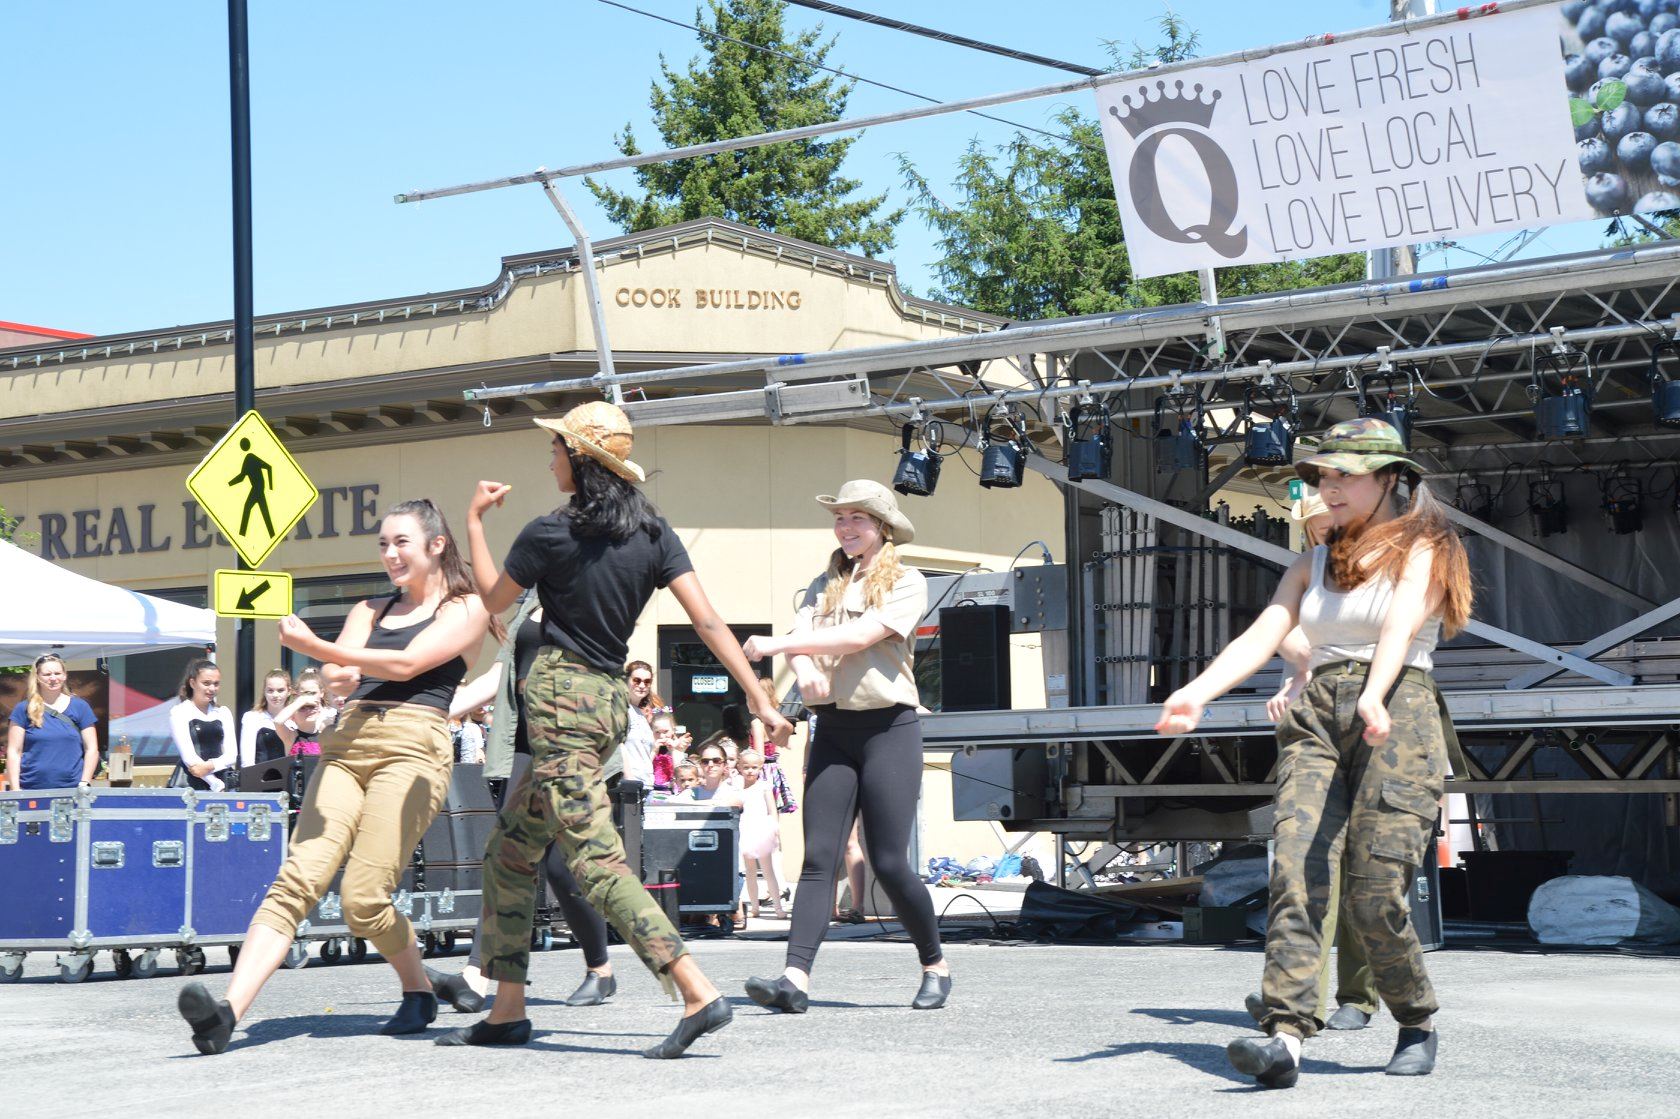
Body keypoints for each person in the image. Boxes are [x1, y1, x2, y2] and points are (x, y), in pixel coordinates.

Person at [448, 399, 791, 1059]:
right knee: (513, 850)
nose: (548, 458)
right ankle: (507, 1006)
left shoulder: (549, 533)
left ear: (579, 458)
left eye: (555, 449)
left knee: (595, 860)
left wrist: (474, 523)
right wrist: (757, 699)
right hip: (608, 702)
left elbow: (493, 608)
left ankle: (694, 988)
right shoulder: (653, 532)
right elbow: (712, 624)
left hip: (558, 701)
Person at [1154, 418, 1472, 1088]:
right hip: (1317, 714)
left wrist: (1376, 695)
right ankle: (1286, 1037)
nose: (1329, 487)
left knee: (1375, 890)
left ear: (1390, 478)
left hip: (1399, 708)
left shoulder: (1427, 545)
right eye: (1323, 475)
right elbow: (1265, 633)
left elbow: (1398, 621)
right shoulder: (1312, 559)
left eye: (1345, 475)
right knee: (1295, 871)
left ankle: (1415, 1018)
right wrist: (1198, 692)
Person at [175, 498, 492, 1055]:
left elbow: (405, 665)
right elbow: (337, 673)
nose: (390, 554)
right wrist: (331, 665)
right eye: (383, 544)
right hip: (347, 743)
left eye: (402, 543)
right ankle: (226, 1014)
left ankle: (419, 987)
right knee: (298, 878)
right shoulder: (370, 607)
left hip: (414, 747)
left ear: (436, 546)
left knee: (362, 899)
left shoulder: (466, 609)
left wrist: (317, 650)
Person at [741, 479, 948, 1015]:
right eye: (840, 517)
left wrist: (784, 648)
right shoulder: (823, 582)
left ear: (881, 527)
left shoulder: (906, 580)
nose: (846, 526)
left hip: (888, 730)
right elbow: (806, 632)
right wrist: (804, 671)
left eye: (858, 517)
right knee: (818, 860)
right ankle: (794, 979)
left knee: (888, 860)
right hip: (832, 729)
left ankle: (934, 964)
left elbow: (858, 638)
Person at [427, 594, 618, 1016]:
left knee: (558, 866)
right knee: (511, 856)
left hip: (569, 743)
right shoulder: (532, 598)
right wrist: (439, 713)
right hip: (524, 746)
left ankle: (601, 969)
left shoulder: (591, 588)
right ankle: (477, 976)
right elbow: (500, 672)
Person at [1244, 488, 1379, 1035]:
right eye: (1316, 528)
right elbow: (1280, 641)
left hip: (1366, 718)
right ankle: (1298, 999)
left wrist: (1303, 666)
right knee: (1303, 865)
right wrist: (1294, 680)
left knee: (1359, 867)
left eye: (1330, 525)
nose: (1325, 533)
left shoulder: (1374, 573)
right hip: (1311, 725)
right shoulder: (1304, 577)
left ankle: (1359, 994)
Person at [5, 654, 98, 791]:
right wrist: (16, 790)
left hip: (72, 789)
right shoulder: (23, 709)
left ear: (65, 675)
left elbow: (91, 749)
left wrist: (84, 783)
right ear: (37, 677)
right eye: (47, 674)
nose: (53, 678)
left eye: (57, 673)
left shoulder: (80, 707)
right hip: (32, 789)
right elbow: (14, 751)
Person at [168, 660, 238, 792]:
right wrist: (213, 782)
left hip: (222, 778)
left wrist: (210, 766)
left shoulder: (223, 712)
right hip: (190, 782)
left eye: (216, 684)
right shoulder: (179, 712)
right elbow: (189, 757)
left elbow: (231, 755)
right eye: (206, 683)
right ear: (193, 683)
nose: (212, 689)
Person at [736, 748, 787, 920]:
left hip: (761, 830)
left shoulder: (764, 786)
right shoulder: (737, 786)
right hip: (745, 829)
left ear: (760, 767)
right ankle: (754, 907)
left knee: (767, 870)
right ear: (739, 767)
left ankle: (778, 907)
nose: (750, 770)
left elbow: (772, 810)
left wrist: (774, 829)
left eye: (754, 767)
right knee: (750, 871)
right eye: (746, 767)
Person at [239, 669, 300, 766]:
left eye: (280, 690)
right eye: (270, 690)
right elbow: (247, 761)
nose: (275, 695)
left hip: (289, 777)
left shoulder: (296, 720)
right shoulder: (252, 717)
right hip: (260, 777)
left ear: (289, 691)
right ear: (264, 691)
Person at [621, 660, 661, 786]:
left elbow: (643, 755)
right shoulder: (621, 710)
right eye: (636, 680)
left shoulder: (641, 715)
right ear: (627, 680)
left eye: (647, 681)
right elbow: (618, 745)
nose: (642, 685)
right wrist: (629, 778)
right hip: (627, 785)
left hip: (645, 783)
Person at [284, 668, 335, 757]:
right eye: (303, 709)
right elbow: (278, 721)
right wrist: (299, 702)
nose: (308, 711)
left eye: (313, 693)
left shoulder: (330, 719)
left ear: (322, 693)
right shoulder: (292, 735)